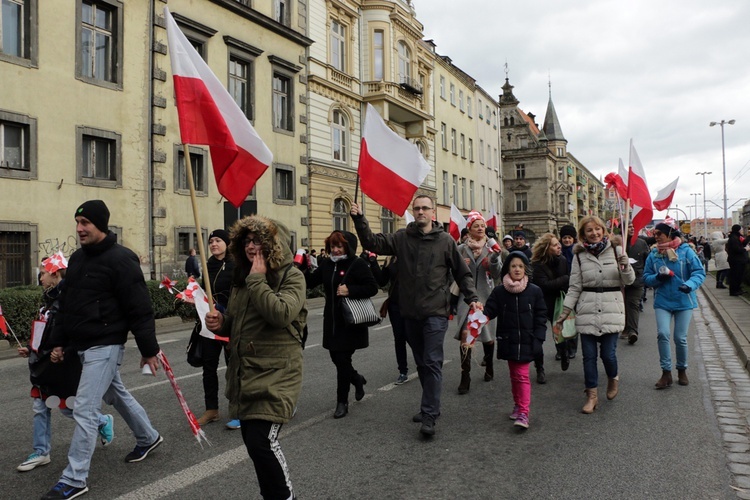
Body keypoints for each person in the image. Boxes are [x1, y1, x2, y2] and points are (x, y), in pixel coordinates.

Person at [43, 200, 162, 500]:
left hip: (106, 345)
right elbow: (67, 306)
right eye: (77, 222)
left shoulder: (122, 259)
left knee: (84, 407)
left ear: (101, 224)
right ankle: (148, 437)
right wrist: (58, 342)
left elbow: (140, 308)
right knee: (116, 395)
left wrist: (149, 350)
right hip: (82, 344)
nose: (80, 228)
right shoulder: (78, 259)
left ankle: (74, 478)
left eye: (86, 223)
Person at [351, 196, 481, 438]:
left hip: (435, 312)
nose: (420, 211)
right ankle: (430, 404)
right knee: (421, 362)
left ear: (433, 213)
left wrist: (472, 298)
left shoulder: (445, 241)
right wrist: (359, 219)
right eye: (417, 208)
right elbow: (372, 243)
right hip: (409, 312)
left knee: (432, 361)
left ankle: (429, 414)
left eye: (425, 208)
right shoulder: (402, 238)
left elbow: (462, 274)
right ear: (413, 211)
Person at [205, 215, 306, 500]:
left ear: (274, 244)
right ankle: (272, 495)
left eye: (259, 241)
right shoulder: (244, 277)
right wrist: (221, 322)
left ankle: (285, 497)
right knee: (253, 442)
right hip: (247, 372)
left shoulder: (291, 276)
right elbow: (237, 322)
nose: (252, 247)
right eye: (247, 241)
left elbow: (281, 313)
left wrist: (258, 280)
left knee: (263, 441)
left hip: (277, 373)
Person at [554, 216, 634, 414]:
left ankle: (613, 377)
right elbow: (574, 286)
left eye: (597, 229)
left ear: (603, 230)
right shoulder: (579, 256)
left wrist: (626, 266)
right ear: (583, 234)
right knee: (588, 356)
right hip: (587, 308)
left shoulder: (616, 251)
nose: (594, 233)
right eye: (589, 230)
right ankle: (592, 396)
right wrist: (564, 312)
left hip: (612, 308)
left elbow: (629, 281)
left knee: (608, 354)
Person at [17, 255, 89, 473]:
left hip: (61, 365)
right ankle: (41, 452)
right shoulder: (48, 298)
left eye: (42, 273)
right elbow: (43, 329)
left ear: (55, 273)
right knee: (40, 407)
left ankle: (101, 422)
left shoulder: (68, 300)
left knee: (67, 408)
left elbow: (74, 332)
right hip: (42, 365)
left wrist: (63, 351)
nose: (39, 278)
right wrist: (31, 348)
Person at [305, 230, 378, 419]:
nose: (335, 250)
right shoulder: (327, 264)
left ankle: (342, 402)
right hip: (331, 322)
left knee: (342, 360)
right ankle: (357, 379)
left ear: (348, 246)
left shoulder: (358, 264)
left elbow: (372, 288)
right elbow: (310, 283)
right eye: (333, 246)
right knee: (336, 359)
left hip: (349, 322)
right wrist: (302, 266)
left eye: (339, 246)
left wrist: (350, 290)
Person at [483, 252, 547, 429]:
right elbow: (489, 311)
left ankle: (524, 413)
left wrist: (539, 338)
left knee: (522, 375)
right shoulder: (500, 291)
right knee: (514, 375)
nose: (517, 269)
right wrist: (479, 315)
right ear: (507, 269)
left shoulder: (534, 291)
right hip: (508, 339)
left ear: (526, 268)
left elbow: (541, 317)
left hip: (528, 340)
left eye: (520, 266)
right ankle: (518, 405)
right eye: (513, 266)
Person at [643, 223, 706, 388]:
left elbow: (699, 272)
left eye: (659, 233)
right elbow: (646, 277)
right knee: (663, 334)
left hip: (684, 300)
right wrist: (658, 277)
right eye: (655, 233)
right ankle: (666, 373)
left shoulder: (686, 251)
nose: (656, 236)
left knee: (680, 337)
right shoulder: (654, 255)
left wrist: (690, 285)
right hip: (663, 301)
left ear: (670, 234)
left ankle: (682, 369)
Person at [453, 212, 502, 394]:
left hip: (487, 298)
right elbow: (452, 274)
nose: (481, 229)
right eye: (476, 226)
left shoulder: (491, 249)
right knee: (467, 336)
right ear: (470, 230)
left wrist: (495, 260)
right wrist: (461, 266)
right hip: (466, 300)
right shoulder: (460, 250)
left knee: (487, 339)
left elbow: (497, 274)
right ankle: (465, 376)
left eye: (482, 226)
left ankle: (489, 366)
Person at [196, 229, 238, 429]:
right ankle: (211, 409)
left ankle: (238, 410)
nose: (213, 244)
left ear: (227, 243)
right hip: (210, 324)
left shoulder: (235, 264)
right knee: (209, 367)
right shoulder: (207, 265)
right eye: (211, 241)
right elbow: (203, 293)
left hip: (230, 323)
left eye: (218, 240)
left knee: (234, 367)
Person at [531, 233, 572, 371]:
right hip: (542, 303)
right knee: (538, 336)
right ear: (546, 248)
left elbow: (567, 283)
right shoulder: (538, 264)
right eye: (555, 245)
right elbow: (544, 285)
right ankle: (539, 368)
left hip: (558, 301)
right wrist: (564, 279)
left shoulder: (563, 260)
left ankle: (563, 352)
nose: (559, 246)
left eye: (558, 243)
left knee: (559, 330)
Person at [378, 255, 411, 385]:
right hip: (395, 304)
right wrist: (373, 263)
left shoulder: (412, 253)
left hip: (412, 304)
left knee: (412, 336)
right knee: (399, 337)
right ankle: (403, 371)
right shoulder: (390, 259)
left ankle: (427, 360)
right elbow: (381, 281)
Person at [621, 224, 650, 345]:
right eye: (629, 226)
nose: (632, 228)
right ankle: (623, 328)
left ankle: (632, 331)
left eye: (634, 227)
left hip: (636, 280)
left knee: (633, 305)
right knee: (622, 306)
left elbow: (647, 261)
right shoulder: (617, 243)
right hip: (620, 281)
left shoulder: (641, 243)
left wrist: (645, 275)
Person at [726, 224, 749, 296]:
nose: (742, 231)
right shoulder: (733, 238)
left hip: (739, 260)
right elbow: (737, 249)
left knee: (739, 276)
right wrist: (745, 249)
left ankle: (738, 289)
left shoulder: (738, 237)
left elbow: (744, 242)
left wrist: (748, 236)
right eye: (741, 230)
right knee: (735, 276)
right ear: (738, 230)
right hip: (736, 260)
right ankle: (734, 291)